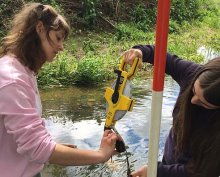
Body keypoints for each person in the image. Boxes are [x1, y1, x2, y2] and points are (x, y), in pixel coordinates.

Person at [0, 3, 119, 177]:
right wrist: (100, 155)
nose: (61, 47)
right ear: (40, 28)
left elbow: (24, 135)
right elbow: (38, 147)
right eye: (57, 38)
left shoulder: (24, 71)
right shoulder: (12, 80)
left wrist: (55, 147)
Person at [122, 45, 220, 177]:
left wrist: (157, 172)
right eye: (193, 91)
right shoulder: (192, 73)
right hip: (170, 156)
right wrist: (141, 52)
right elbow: (162, 57)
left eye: (203, 103)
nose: (193, 101)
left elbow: (202, 171)